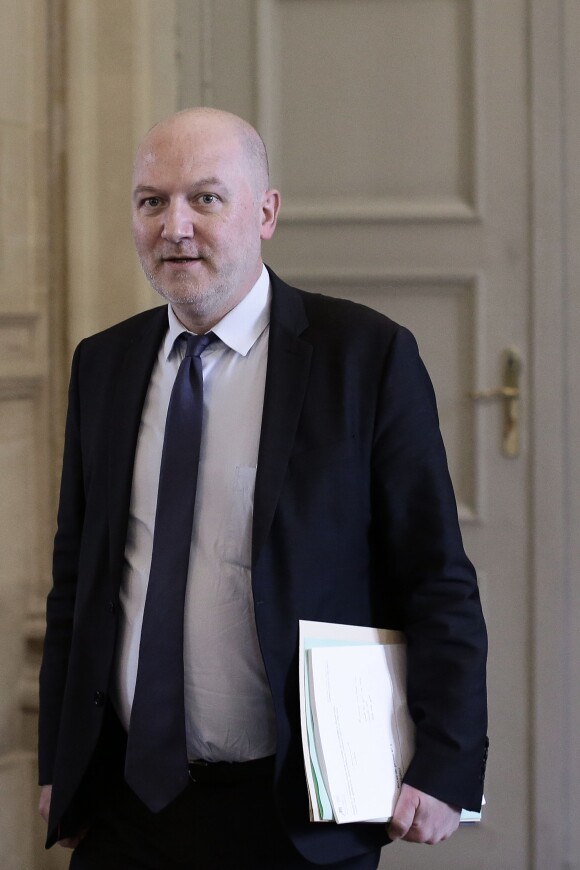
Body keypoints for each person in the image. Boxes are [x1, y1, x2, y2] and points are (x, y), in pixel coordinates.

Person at [38, 107, 488, 869]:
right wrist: (60, 764)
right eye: (152, 201)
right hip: (126, 807)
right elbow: (77, 585)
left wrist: (446, 763)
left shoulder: (365, 358)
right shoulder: (103, 366)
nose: (175, 226)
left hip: (293, 812)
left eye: (205, 199)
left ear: (267, 212)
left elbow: (434, 574)